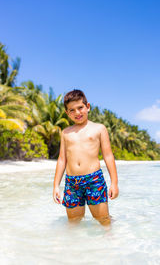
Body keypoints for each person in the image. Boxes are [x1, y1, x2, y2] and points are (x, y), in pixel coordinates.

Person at [53, 89, 119, 226]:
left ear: (87, 107)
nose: (77, 113)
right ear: (67, 113)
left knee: (103, 220)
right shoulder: (65, 133)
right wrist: (56, 186)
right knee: (73, 222)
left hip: (94, 180)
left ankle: (110, 243)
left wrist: (114, 183)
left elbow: (108, 156)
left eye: (80, 108)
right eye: (72, 110)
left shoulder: (99, 129)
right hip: (72, 182)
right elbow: (61, 160)